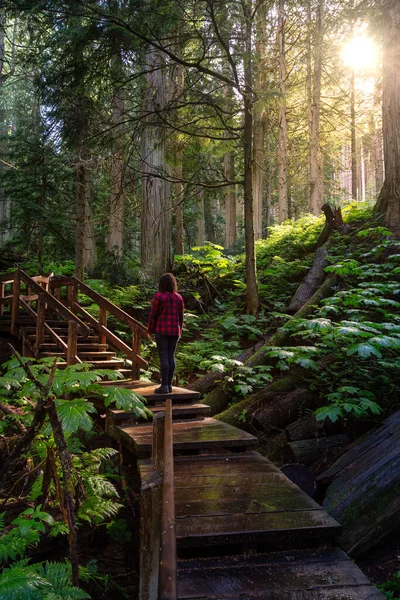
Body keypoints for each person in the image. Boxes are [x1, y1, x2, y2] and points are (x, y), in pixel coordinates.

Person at [147, 273, 184, 394]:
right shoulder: (179, 297)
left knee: (164, 357)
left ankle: (164, 386)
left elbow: (153, 315)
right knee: (170, 357)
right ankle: (169, 385)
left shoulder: (159, 297)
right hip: (174, 331)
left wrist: (150, 330)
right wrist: (180, 330)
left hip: (162, 330)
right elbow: (181, 317)